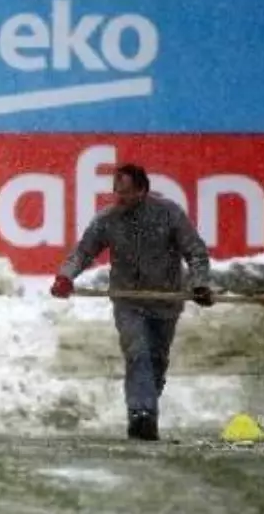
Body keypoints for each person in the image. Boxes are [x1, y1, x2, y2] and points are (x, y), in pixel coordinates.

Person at [50, 163, 214, 441]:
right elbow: (82, 252)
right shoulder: (108, 219)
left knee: (157, 361)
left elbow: (196, 252)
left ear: (142, 190)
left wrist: (199, 284)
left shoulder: (170, 213)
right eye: (116, 192)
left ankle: (145, 407)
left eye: (125, 192)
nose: (119, 198)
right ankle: (141, 415)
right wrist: (65, 277)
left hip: (166, 301)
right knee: (137, 352)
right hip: (128, 301)